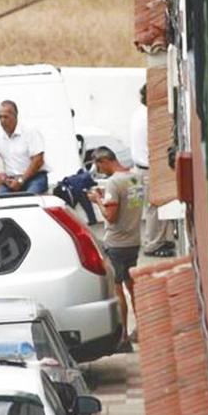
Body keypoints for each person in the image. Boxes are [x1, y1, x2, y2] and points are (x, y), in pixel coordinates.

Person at [87, 147, 142, 347]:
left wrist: (98, 200)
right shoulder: (135, 178)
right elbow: (127, 203)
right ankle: (141, 328)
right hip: (134, 240)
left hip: (117, 243)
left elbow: (110, 216)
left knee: (118, 290)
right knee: (132, 287)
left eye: (99, 166)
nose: (100, 171)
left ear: (104, 161)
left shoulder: (113, 182)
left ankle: (123, 337)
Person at [131, 84, 175, 257]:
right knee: (155, 206)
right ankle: (153, 244)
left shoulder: (139, 113)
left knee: (152, 206)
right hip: (148, 168)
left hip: (141, 168)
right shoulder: (148, 118)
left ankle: (160, 239)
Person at [0, 100, 48, 194]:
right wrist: (5, 179)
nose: (2, 120)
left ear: (15, 116)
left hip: (34, 178)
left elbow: (38, 160)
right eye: (0, 117)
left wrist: (21, 180)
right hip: (11, 180)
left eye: (6, 117)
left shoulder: (30, 132)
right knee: (0, 201)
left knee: (29, 200)